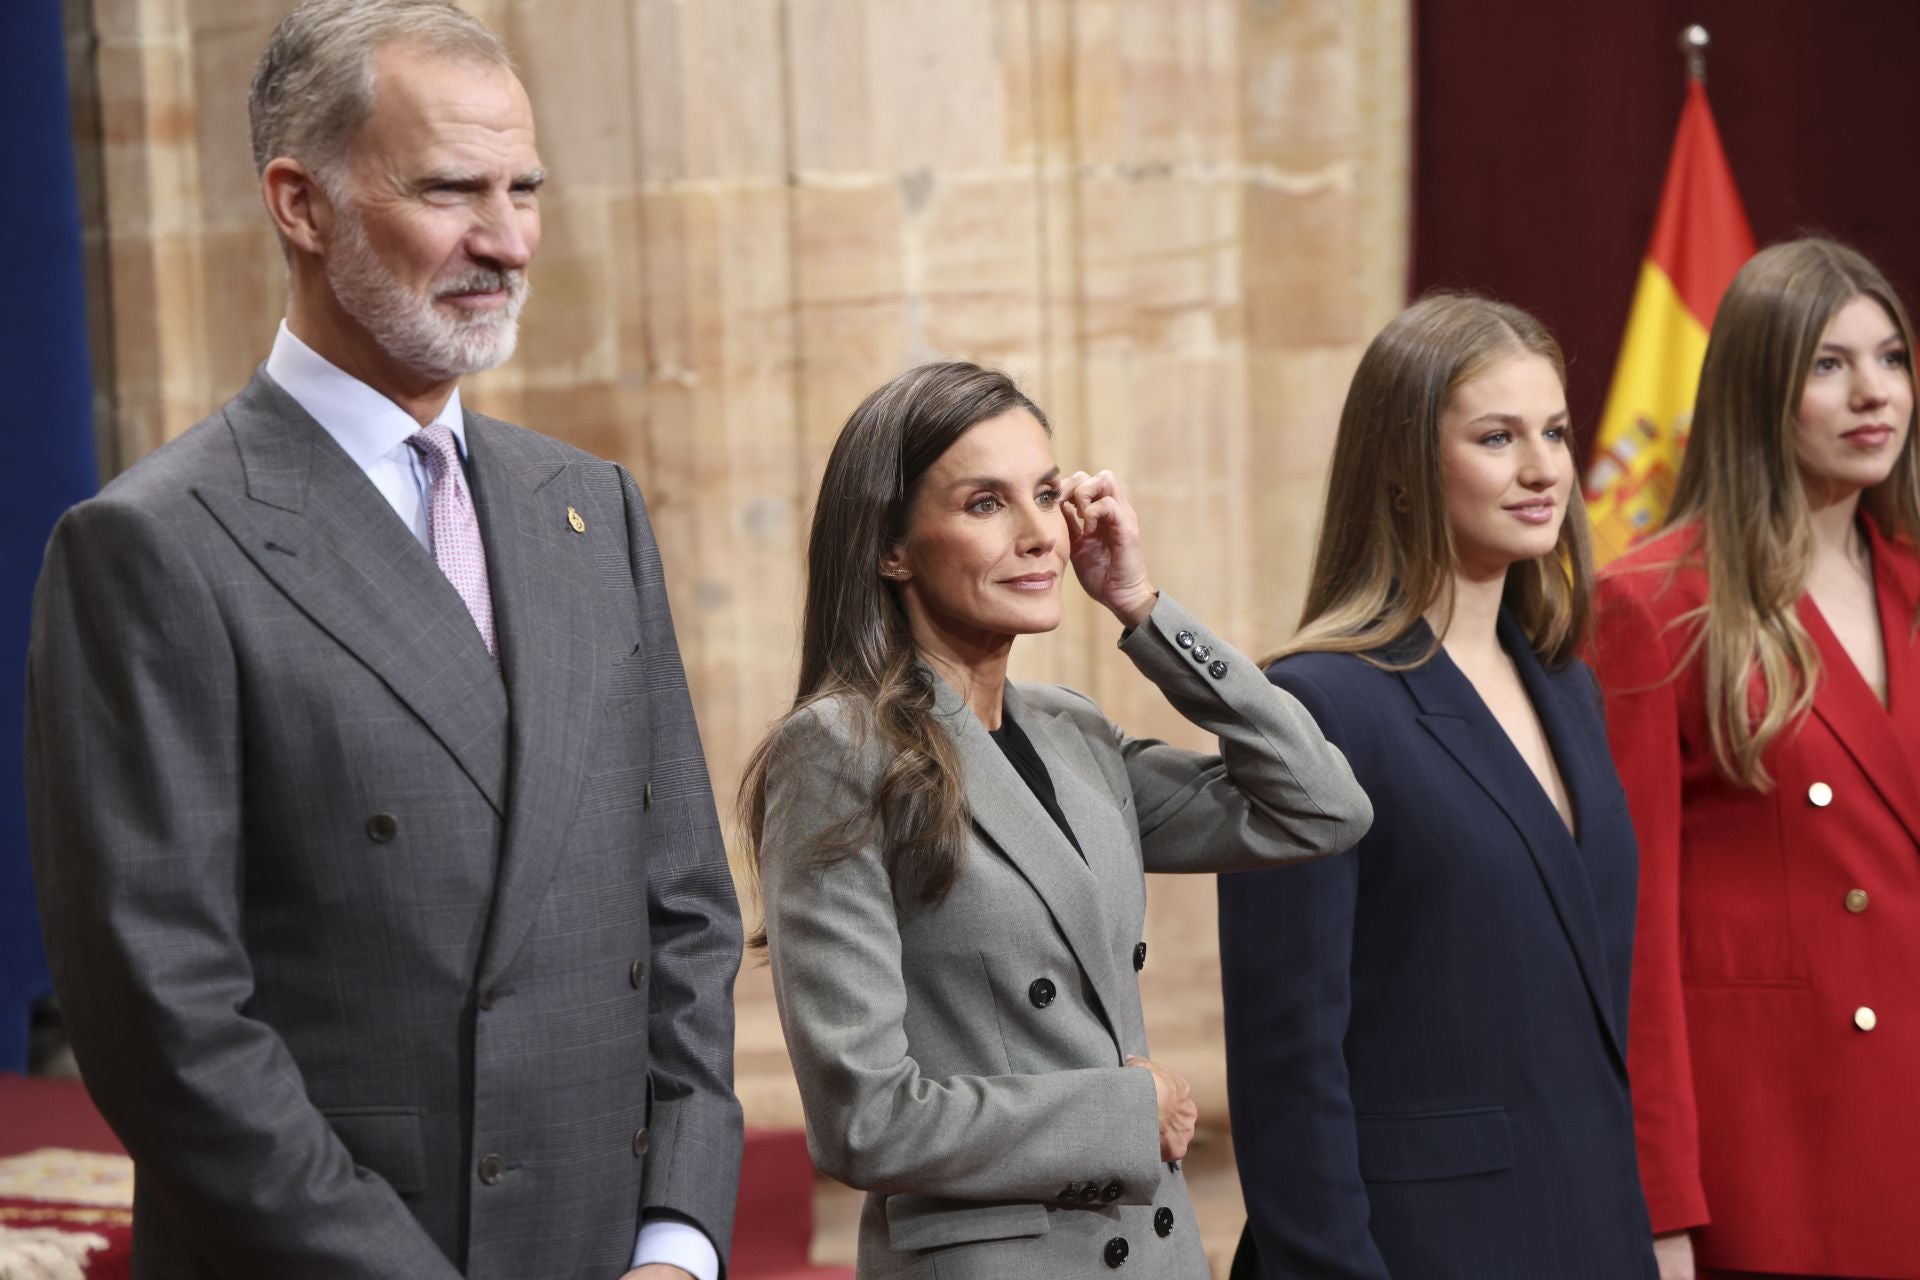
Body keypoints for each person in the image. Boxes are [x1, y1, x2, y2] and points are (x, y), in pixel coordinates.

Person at [23, 3, 742, 1277]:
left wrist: (678, 1239)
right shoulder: (151, 544)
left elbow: (681, 911)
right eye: (451, 190)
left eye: (525, 189)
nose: (509, 241)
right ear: (302, 204)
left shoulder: (592, 508)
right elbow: (163, 1017)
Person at [741, 361, 1372, 1279]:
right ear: (892, 547)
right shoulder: (837, 752)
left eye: (1046, 493)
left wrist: (1144, 608)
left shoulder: (1074, 734)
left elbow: (1319, 808)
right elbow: (863, 1121)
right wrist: (1121, 1113)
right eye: (987, 504)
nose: (1042, 535)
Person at [1221, 294, 1657, 1279]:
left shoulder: (1565, 683)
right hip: (1419, 1250)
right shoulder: (1316, 702)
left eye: (1553, 431)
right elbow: (1290, 1066)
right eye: (1497, 437)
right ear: (1401, 468)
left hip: (1590, 1226)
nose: (1544, 468)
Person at [1593, 237, 1920, 1280]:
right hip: (1781, 1154)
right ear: (1754, 388)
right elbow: (1629, 939)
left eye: (1892, 358)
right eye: (1828, 364)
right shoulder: (1656, 603)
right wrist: (1660, 1203)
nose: (1874, 393)